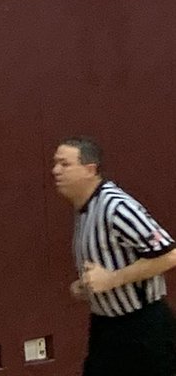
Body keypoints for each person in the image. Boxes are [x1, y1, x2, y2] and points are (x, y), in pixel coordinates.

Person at [53, 136, 176, 376]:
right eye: (55, 163)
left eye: (65, 164)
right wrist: (86, 285)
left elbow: (169, 255)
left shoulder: (116, 207)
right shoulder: (85, 207)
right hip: (106, 326)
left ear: (90, 169)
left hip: (142, 328)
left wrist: (112, 280)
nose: (55, 170)